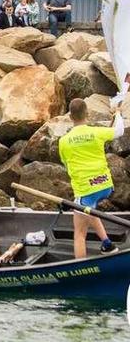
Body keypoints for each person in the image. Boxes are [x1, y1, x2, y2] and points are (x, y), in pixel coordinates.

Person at [59, 98, 124, 258]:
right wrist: (118, 113)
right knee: (91, 211)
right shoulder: (96, 132)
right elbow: (119, 131)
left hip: (86, 191)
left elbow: (66, 166)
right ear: (87, 113)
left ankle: (80, 269)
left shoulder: (64, 142)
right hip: (105, 186)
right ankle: (107, 245)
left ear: (70, 117)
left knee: (79, 234)